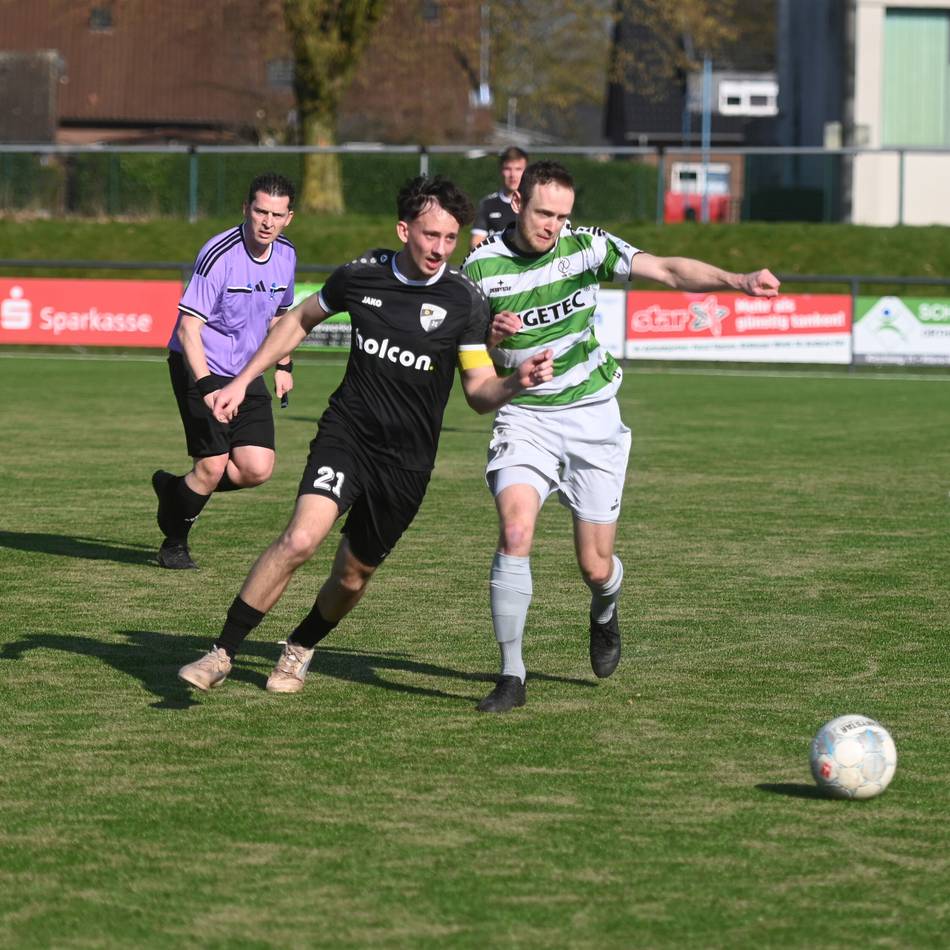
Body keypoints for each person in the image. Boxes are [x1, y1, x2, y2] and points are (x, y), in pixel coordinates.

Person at [177, 175, 554, 695]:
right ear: (404, 230)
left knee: (352, 576)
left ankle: (301, 646)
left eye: (450, 239)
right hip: (347, 434)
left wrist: (515, 382)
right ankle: (222, 653)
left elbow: (477, 391)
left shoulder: (466, 301)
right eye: (430, 235)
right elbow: (297, 320)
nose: (440, 248)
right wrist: (243, 381)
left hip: (407, 463)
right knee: (301, 538)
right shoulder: (361, 275)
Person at [462, 160, 781, 713]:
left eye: (562, 215)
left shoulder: (586, 247)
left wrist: (738, 281)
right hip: (526, 417)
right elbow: (474, 372)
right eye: (543, 213)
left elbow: (669, 272)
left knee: (595, 566)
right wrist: (490, 335)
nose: (553, 226)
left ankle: (605, 606)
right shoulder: (480, 269)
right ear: (517, 203)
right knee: (516, 529)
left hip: (593, 419)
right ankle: (511, 675)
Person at [151, 172, 297, 570]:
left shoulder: (286, 255)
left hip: (246, 373)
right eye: (260, 211)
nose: (267, 221)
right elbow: (187, 328)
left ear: (289, 218)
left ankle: (175, 490)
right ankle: (174, 543)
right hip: (200, 365)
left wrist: (283, 364)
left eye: (276, 214)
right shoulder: (219, 254)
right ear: (246, 209)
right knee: (213, 464)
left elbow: (281, 316)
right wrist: (208, 388)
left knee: (256, 468)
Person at [469, 146, 528, 249]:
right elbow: (476, 243)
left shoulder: (533, 203)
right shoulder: (488, 204)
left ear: (526, 171)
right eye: (508, 169)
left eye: (518, 169)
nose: (512, 174)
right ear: (501, 170)